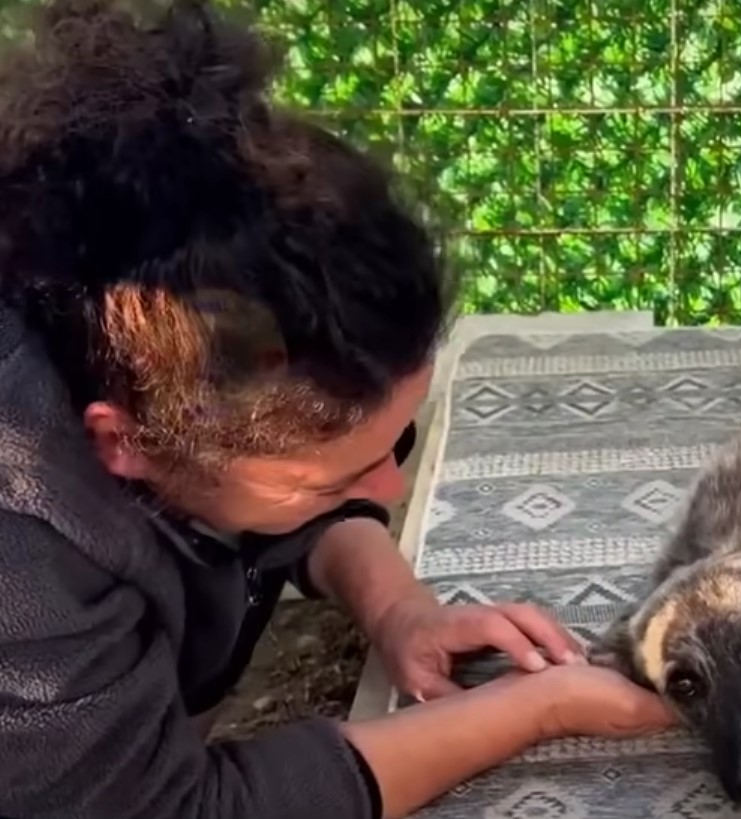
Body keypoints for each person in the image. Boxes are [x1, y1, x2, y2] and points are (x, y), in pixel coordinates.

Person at [0, 1, 676, 818]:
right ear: (125, 442)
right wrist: (536, 708)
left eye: (396, 446)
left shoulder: (153, 322)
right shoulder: (24, 549)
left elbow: (275, 505)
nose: (391, 493)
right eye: (334, 480)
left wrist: (399, 607)